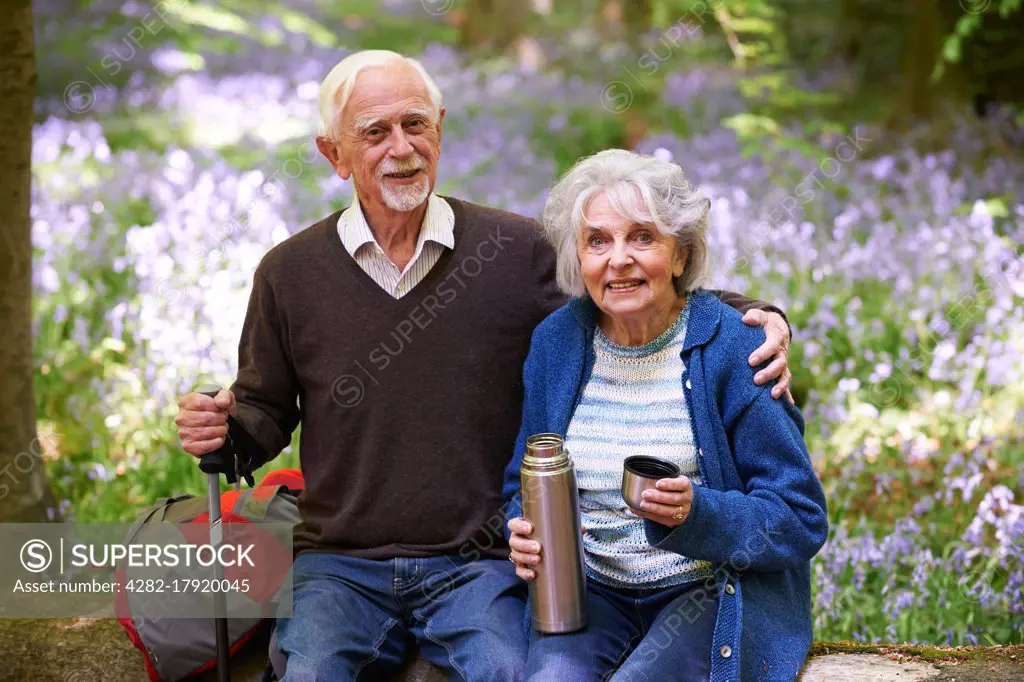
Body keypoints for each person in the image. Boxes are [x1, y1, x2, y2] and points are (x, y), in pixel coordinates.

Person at [173, 51, 796, 681]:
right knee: (310, 673)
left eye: (415, 124)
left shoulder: (515, 251)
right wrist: (224, 431)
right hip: (341, 562)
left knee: (507, 671)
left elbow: (629, 290)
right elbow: (263, 410)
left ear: (439, 128)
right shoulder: (289, 274)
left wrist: (753, 314)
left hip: (477, 562)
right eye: (374, 132)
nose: (401, 148)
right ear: (334, 154)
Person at [504, 149, 828, 682]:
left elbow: (800, 516)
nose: (619, 259)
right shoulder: (555, 345)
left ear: (680, 255)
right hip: (588, 593)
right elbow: (520, 477)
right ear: (578, 259)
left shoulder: (734, 349)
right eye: (598, 241)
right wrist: (519, 527)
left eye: (643, 237)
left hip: (704, 592)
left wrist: (697, 514)